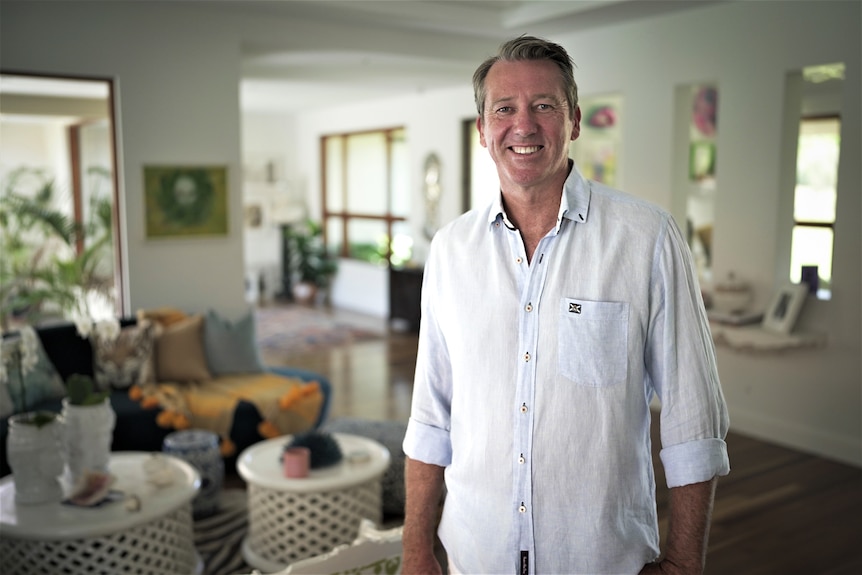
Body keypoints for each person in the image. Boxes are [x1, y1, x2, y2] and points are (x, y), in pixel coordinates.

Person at [402, 35, 729, 575]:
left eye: (544, 106)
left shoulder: (646, 238)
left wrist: (684, 562)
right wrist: (416, 549)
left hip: (602, 558)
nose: (523, 125)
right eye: (504, 109)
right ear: (483, 131)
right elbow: (430, 418)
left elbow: (693, 418)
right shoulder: (450, 251)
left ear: (574, 120)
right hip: (475, 553)